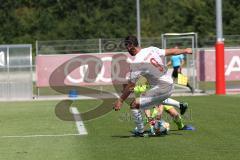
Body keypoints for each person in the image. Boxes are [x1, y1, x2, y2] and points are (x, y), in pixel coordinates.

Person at [113, 35, 192, 136]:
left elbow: (130, 86)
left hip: (162, 87)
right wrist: (185, 50)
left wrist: (120, 101)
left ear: (131, 45)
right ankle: (179, 106)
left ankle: (140, 131)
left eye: (127, 46)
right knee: (154, 101)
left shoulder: (137, 62)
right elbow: (170, 51)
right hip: (168, 84)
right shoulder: (151, 49)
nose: (127, 49)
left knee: (134, 105)